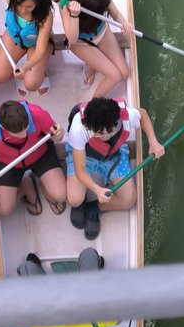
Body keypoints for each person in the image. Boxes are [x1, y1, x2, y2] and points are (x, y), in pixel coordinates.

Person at [65, 97, 165, 240]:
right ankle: (81, 203)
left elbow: (142, 114)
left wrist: (153, 141)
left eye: (110, 130)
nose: (105, 135)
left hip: (114, 154)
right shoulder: (78, 128)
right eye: (99, 132)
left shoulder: (124, 115)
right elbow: (80, 170)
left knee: (129, 200)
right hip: (86, 156)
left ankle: (94, 207)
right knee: (74, 199)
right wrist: (97, 189)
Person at [4, 247, 116, 327]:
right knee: (90, 254)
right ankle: (96, 266)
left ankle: (34, 267)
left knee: (26, 267)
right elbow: (119, 319)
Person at [0, 100, 66, 218]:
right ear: (3, 127)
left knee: (61, 195)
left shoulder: (37, 114)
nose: (25, 134)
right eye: (19, 133)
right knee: (3, 210)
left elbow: (57, 137)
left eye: (27, 128)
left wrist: (59, 134)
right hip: (10, 165)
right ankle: (26, 186)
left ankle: (45, 186)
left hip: (40, 155)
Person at [54, 0, 132, 99]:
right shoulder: (66, 4)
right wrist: (75, 16)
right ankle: (94, 105)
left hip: (102, 32)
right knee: (115, 76)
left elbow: (115, 13)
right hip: (81, 42)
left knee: (124, 73)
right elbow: (72, 39)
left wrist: (124, 24)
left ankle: (92, 64)